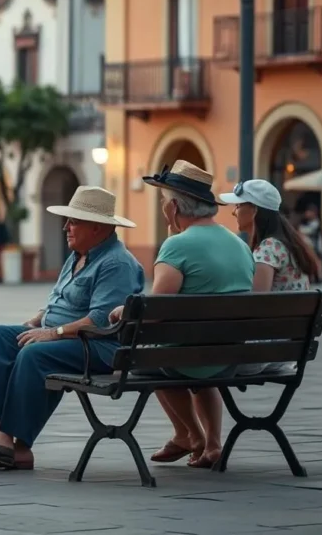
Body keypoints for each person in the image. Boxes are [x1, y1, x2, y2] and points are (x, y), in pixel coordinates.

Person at [0, 186, 143, 470]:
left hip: (99, 347)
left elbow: (99, 321)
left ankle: (11, 443)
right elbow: (61, 299)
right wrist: (40, 319)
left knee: (35, 354)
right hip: (66, 338)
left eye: (73, 221)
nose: (66, 227)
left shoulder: (116, 263)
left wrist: (53, 333)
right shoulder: (79, 254)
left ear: (97, 227)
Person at [108, 160, 255, 470]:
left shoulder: (176, 246)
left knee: (146, 356)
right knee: (189, 356)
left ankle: (188, 434)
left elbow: (155, 310)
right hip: (230, 354)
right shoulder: (239, 245)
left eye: (164, 204)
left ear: (173, 208)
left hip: (191, 355)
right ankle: (212, 444)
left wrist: (125, 311)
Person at [220, 178, 320, 375]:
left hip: (262, 354)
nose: (234, 211)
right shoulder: (290, 245)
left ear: (255, 210)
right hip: (286, 350)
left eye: (238, 206)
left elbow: (256, 304)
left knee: (194, 360)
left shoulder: (268, 249)